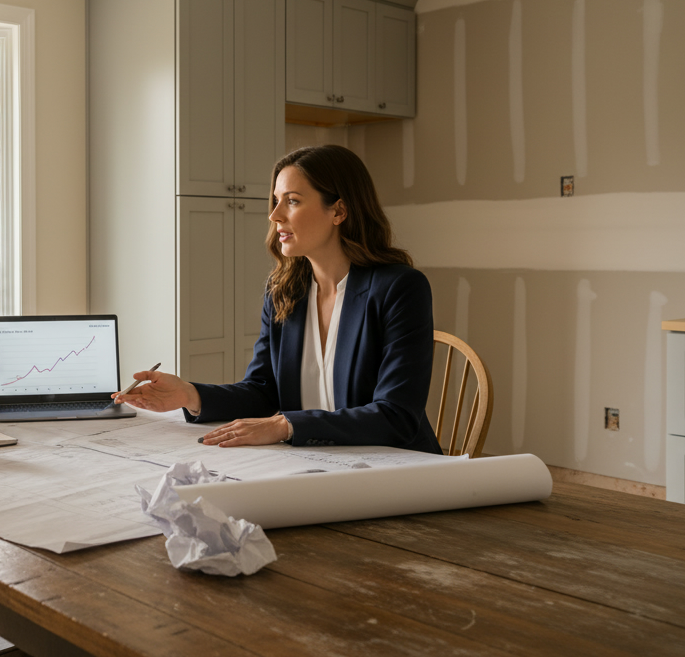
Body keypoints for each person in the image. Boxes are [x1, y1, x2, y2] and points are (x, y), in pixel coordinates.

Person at [115, 144, 441, 455]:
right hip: (314, 464)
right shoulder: (285, 290)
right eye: (275, 201)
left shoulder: (399, 288)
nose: (274, 215)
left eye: (293, 201)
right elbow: (263, 391)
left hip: (397, 470)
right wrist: (190, 394)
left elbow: (396, 416)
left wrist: (286, 425)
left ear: (339, 210)